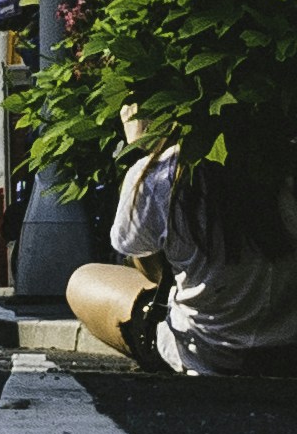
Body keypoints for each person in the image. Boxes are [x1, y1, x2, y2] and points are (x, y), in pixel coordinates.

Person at [65, 106, 297, 378]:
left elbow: (144, 261)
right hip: (286, 352)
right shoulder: (284, 165)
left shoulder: (164, 172)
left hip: (205, 352)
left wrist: (145, 151)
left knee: (84, 280)